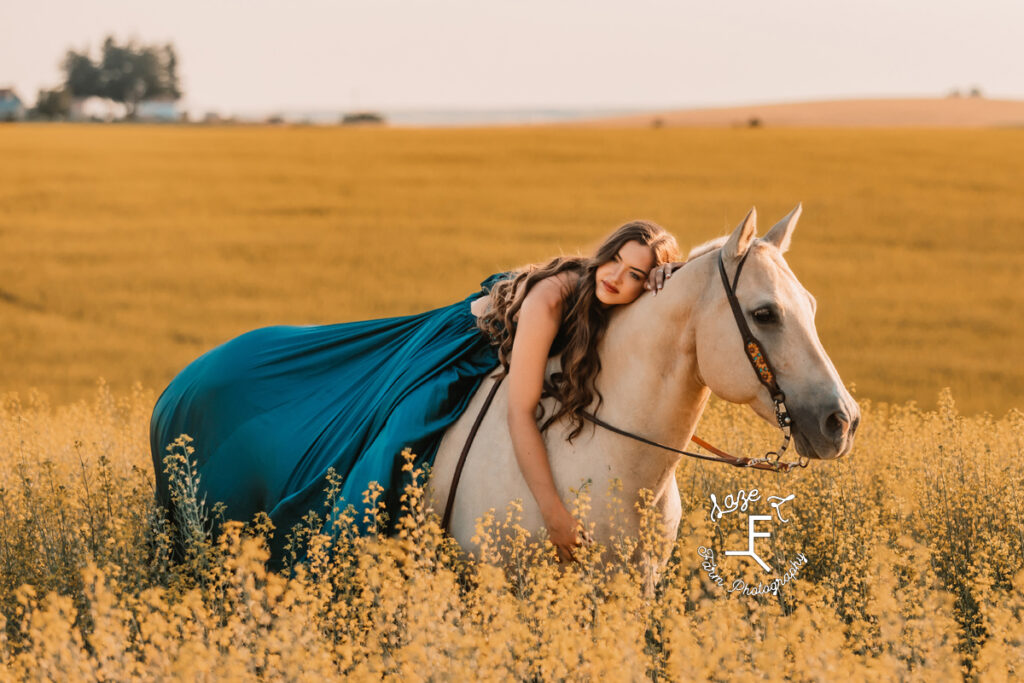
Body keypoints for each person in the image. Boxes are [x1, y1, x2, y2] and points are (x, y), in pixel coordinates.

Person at [150, 220, 680, 567]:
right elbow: (519, 412)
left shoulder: (619, 306)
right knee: (400, 436)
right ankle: (340, 557)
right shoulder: (556, 294)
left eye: (636, 275)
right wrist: (555, 516)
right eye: (616, 260)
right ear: (604, 253)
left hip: (498, 354)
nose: (617, 277)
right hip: (457, 350)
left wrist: (666, 285)